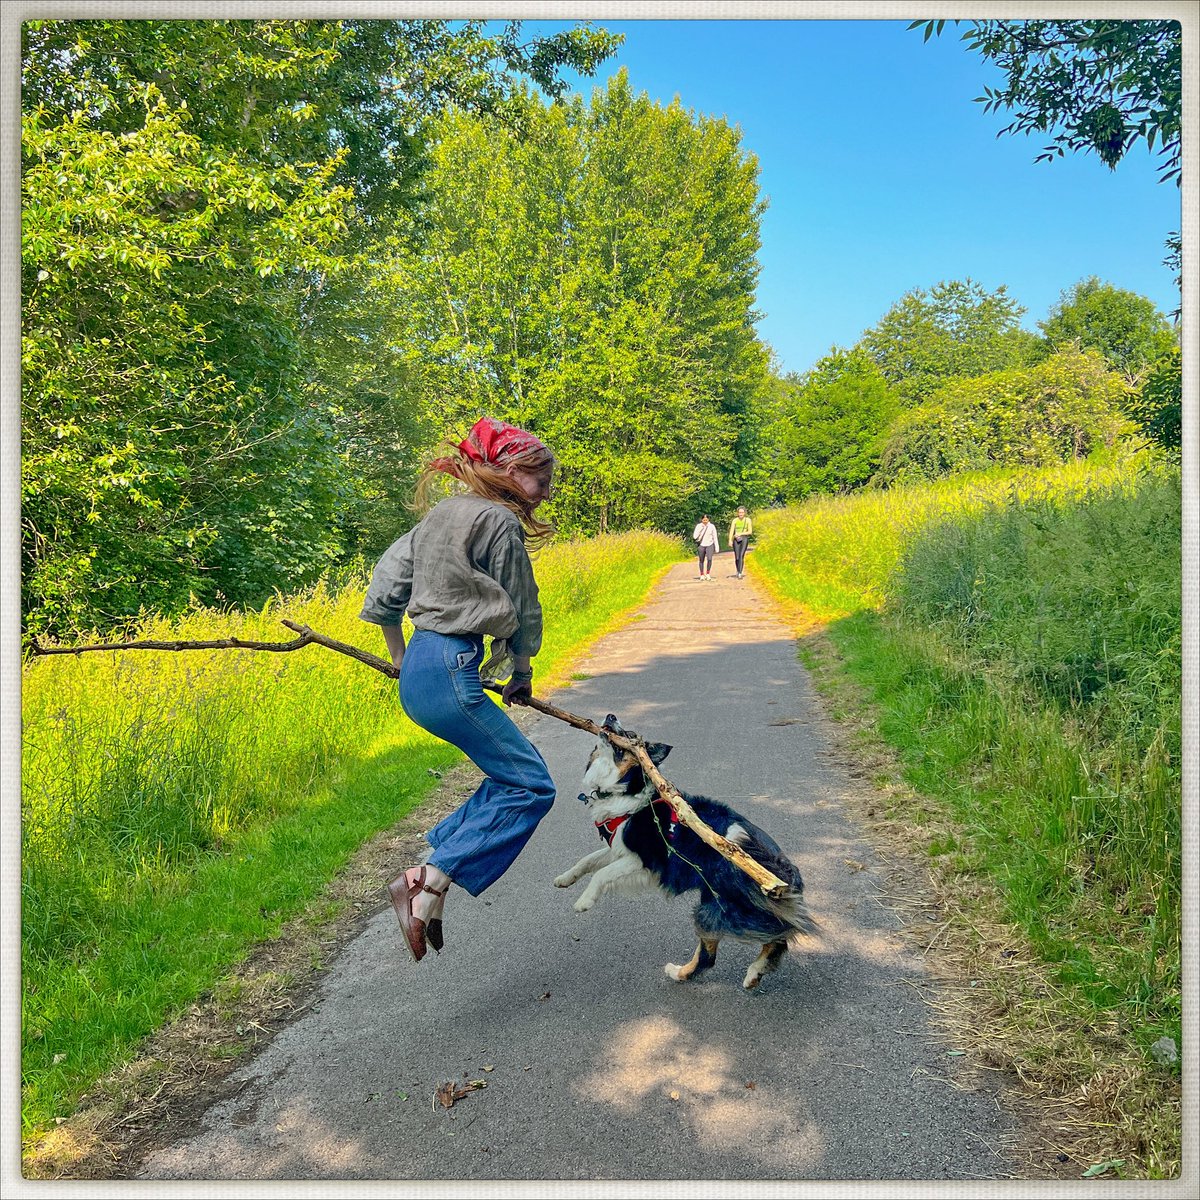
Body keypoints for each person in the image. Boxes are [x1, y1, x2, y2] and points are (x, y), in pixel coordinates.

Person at [359, 417, 558, 963]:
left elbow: (387, 587)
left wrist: (401, 656)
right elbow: (522, 604)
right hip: (453, 666)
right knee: (533, 787)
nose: (546, 494)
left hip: (422, 672)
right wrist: (522, 671)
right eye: (542, 482)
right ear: (512, 472)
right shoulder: (497, 521)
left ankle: (434, 884)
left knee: (509, 778)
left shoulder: (438, 516)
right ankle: (429, 875)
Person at [728, 506, 753, 579]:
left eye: (742, 512)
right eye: (739, 512)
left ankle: (740, 572)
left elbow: (750, 531)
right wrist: (730, 540)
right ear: (737, 513)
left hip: (744, 538)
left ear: (744, 513)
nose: (741, 514)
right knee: (737, 557)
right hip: (736, 539)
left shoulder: (748, 520)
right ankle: (737, 569)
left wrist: (741, 533)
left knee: (741, 555)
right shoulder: (735, 520)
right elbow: (732, 531)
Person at [692, 514, 719, 580]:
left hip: (710, 544)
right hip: (701, 545)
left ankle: (708, 573)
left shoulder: (712, 526)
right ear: (701, 520)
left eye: (706, 520)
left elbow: (715, 537)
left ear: (708, 520)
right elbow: (694, 536)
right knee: (701, 560)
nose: (705, 521)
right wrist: (701, 529)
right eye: (704, 520)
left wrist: (716, 547)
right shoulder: (698, 526)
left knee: (709, 559)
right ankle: (701, 574)